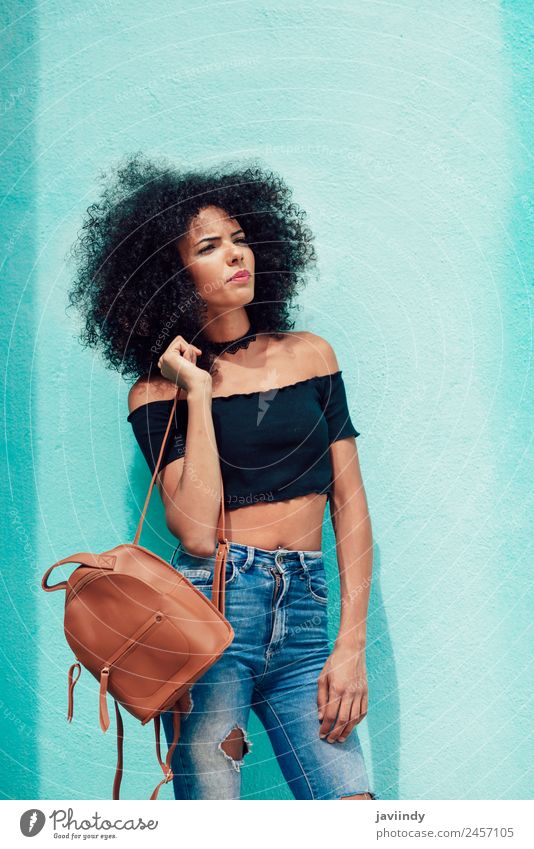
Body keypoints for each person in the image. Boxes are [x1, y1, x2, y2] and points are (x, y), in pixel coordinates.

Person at [68, 153, 377, 800]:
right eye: (210, 246)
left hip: (308, 612)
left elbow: (349, 502)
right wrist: (200, 395)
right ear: (171, 273)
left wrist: (350, 645)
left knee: (356, 814)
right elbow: (197, 530)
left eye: (241, 238)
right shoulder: (158, 393)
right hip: (212, 610)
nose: (237, 254)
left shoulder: (310, 354)